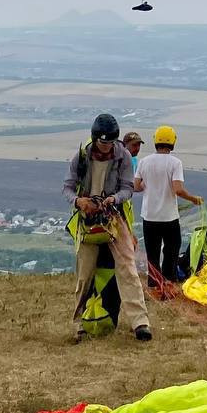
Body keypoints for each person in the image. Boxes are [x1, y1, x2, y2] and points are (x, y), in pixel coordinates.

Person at [63, 113, 151, 342]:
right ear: (94, 139)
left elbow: (128, 188)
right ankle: (81, 323)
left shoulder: (122, 156)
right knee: (85, 272)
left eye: (111, 143)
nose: (107, 148)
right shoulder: (81, 157)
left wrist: (114, 199)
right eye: (103, 143)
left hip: (114, 217)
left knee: (128, 267)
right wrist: (79, 201)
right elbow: (67, 188)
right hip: (87, 219)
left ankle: (140, 322)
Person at [134, 125, 203, 290]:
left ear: (155, 141)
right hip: (169, 217)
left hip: (149, 216)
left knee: (152, 253)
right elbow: (178, 189)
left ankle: (154, 284)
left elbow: (136, 186)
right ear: (172, 142)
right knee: (171, 251)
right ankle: (169, 281)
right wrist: (193, 199)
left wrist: (149, 184)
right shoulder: (175, 163)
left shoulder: (144, 161)